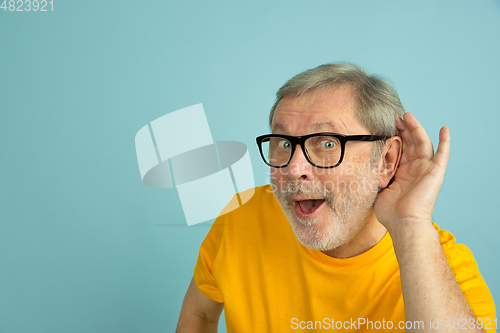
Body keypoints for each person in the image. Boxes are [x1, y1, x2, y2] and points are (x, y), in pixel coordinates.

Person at [176, 63, 496, 332]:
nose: (293, 167)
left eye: (327, 143)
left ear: (386, 161)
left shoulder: (444, 272)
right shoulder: (241, 216)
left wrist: (411, 225)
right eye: (284, 142)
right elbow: (201, 312)